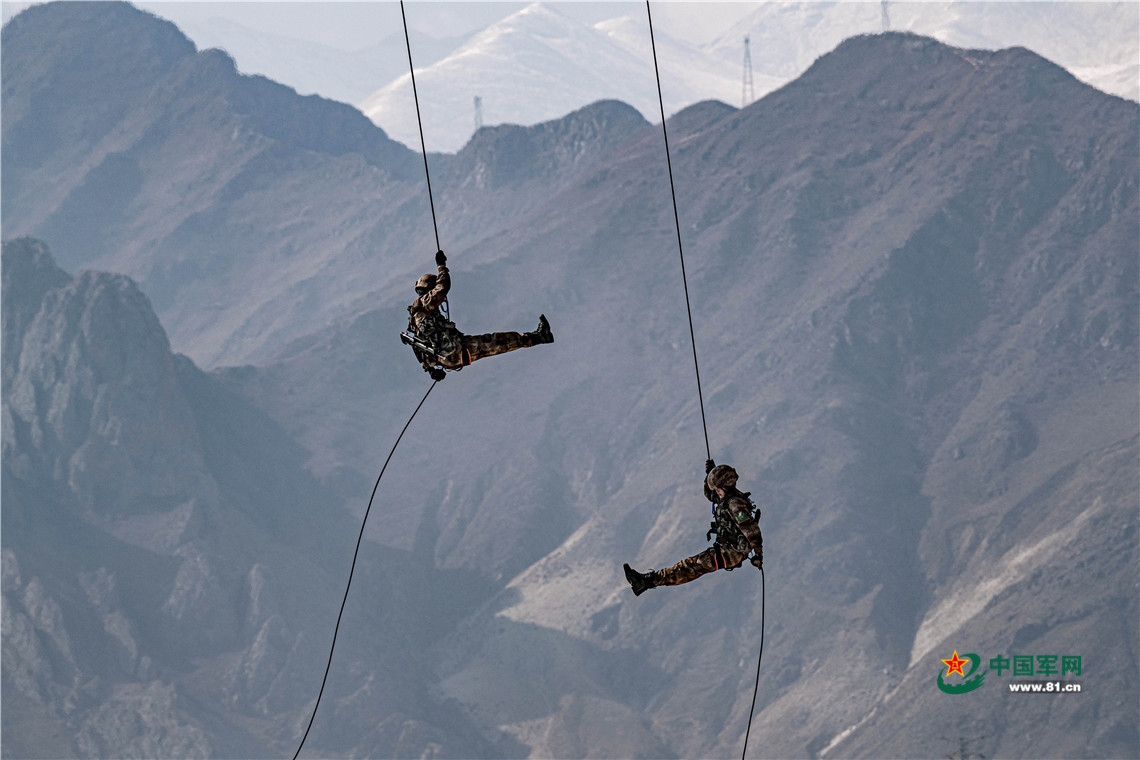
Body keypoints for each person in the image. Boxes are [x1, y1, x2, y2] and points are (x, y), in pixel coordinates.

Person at [404, 249, 553, 380]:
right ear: (429, 289)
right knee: (496, 342)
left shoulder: (414, 317)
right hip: (455, 351)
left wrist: (430, 370)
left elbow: (417, 346)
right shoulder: (425, 302)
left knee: (493, 343)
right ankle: (539, 337)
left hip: (446, 358)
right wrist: (441, 266)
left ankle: (537, 337)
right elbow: (443, 287)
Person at [623, 461, 763, 596]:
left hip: (731, 553)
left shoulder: (735, 504)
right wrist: (708, 476)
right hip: (726, 548)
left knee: (691, 567)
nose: (717, 492)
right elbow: (710, 495)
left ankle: (646, 581)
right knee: (691, 567)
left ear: (726, 486)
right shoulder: (726, 497)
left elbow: (752, 530)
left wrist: (757, 554)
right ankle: (646, 581)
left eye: (718, 489)